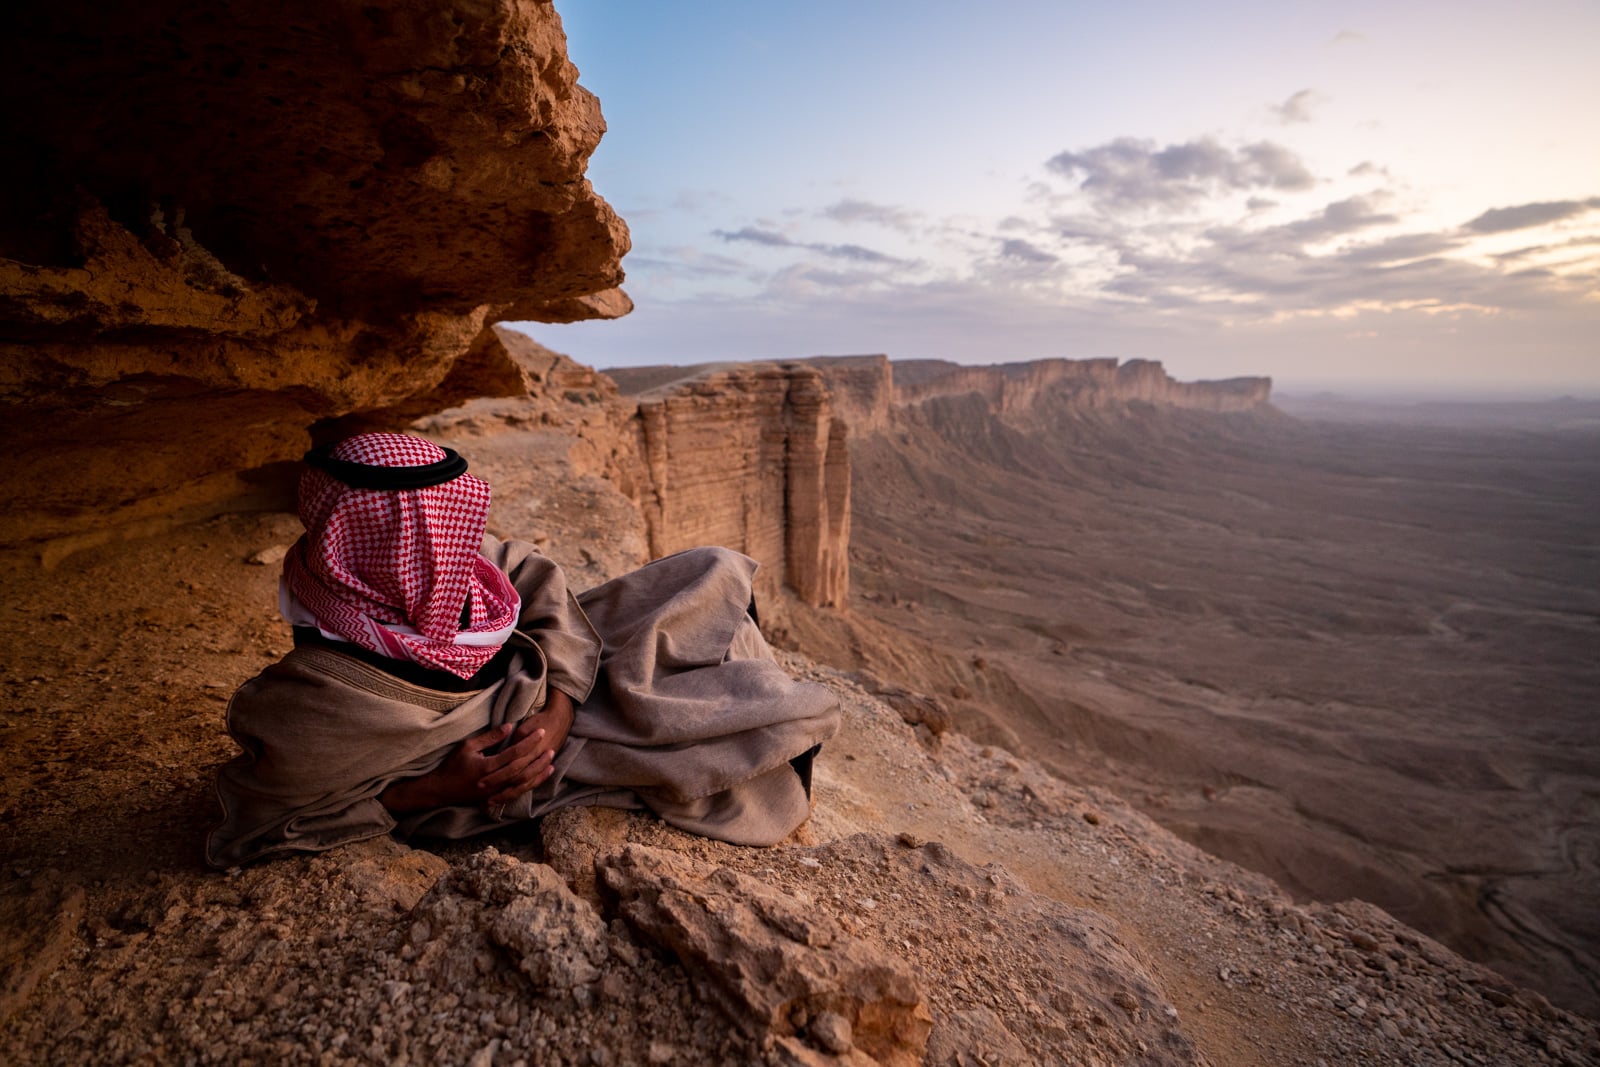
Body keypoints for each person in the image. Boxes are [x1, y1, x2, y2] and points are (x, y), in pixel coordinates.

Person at [206, 432, 839, 868]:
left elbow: (536, 583)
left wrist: (560, 703)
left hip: (552, 696)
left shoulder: (431, 557)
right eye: (439, 531)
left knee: (714, 569)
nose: (457, 544)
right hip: (508, 760)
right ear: (374, 536)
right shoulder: (307, 704)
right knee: (751, 720)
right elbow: (256, 825)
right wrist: (439, 789)